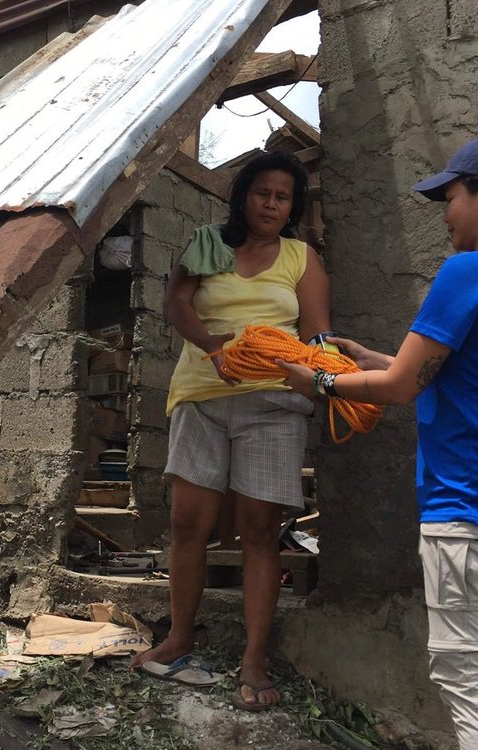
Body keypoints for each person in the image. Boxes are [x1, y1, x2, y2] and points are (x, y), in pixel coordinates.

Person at [278, 134, 478, 750]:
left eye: (451, 196)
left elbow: (399, 388)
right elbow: (462, 372)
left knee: (465, 678)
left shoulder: (470, 270)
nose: (444, 213)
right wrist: (373, 358)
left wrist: (322, 379)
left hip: (464, 503)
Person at [130, 151, 332, 711]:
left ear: (293, 206)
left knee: (260, 529)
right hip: (201, 395)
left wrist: (322, 378)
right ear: (243, 194)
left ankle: (254, 658)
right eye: (263, 192)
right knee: (188, 523)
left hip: (272, 403)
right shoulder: (209, 242)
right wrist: (215, 348)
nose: (271, 204)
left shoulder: (300, 257)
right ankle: (179, 636)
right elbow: (176, 303)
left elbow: (317, 334)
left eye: (283, 196)